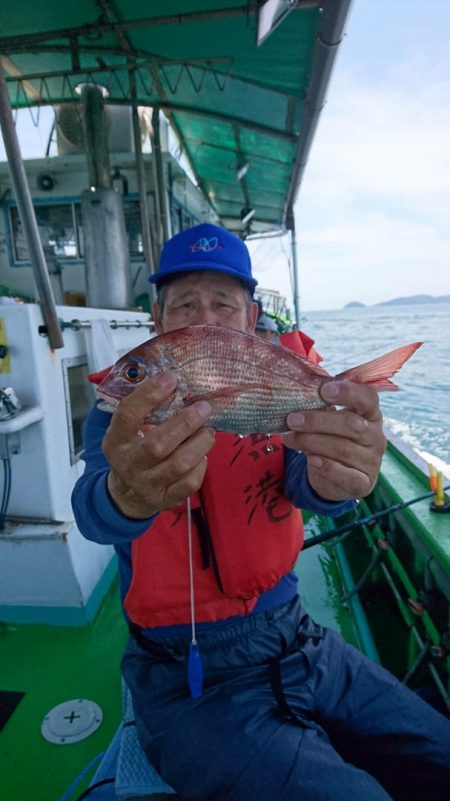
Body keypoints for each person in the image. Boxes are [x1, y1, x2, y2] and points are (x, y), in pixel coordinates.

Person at [72, 222, 450, 801]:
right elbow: (92, 509)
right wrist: (126, 495)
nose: (205, 318)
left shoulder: (271, 387)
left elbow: (309, 485)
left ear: (251, 320)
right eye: (185, 305)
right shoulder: (121, 412)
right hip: (183, 669)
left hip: (299, 634)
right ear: (158, 318)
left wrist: (336, 481)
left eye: (223, 304)